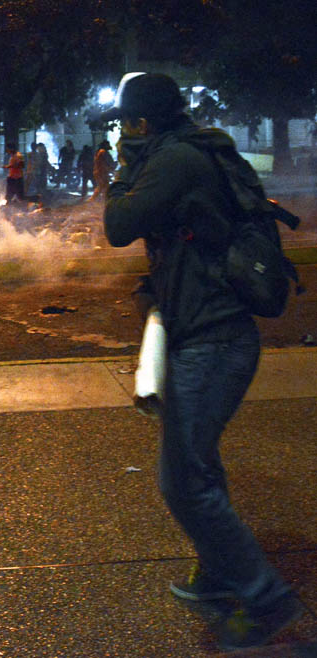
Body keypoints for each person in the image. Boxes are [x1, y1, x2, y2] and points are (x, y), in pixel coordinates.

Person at [102, 72, 301, 651]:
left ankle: (268, 600)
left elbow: (117, 227)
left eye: (124, 124)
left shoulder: (177, 161)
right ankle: (219, 575)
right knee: (198, 466)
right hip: (202, 334)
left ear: (141, 123)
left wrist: (115, 172)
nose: (121, 133)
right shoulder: (176, 153)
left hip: (215, 341)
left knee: (184, 481)